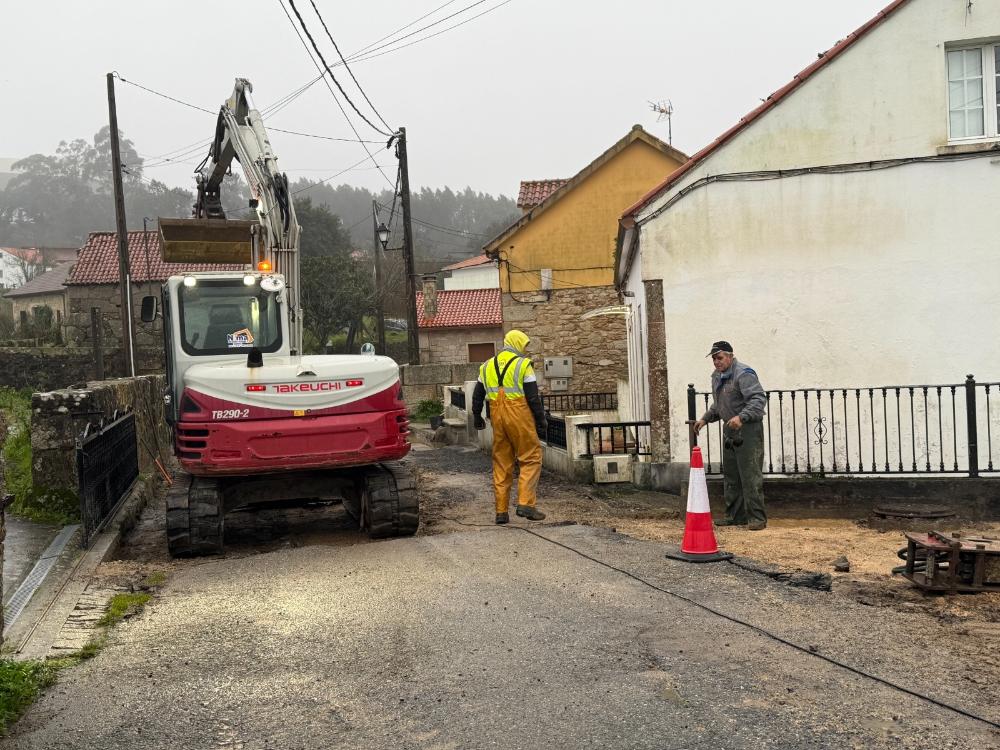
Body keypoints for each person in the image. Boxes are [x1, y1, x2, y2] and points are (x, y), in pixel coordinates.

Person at [471, 330, 547, 524]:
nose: (525, 349)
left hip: (497, 416)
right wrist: (541, 420)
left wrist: (477, 416)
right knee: (530, 458)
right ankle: (525, 504)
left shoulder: (486, 366)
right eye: (524, 345)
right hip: (519, 415)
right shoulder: (523, 365)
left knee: (502, 463)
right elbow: (532, 397)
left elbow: (477, 395)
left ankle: (501, 512)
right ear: (518, 343)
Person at [692, 341, 768, 530]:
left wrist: (742, 417)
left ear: (730, 356)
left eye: (719, 358)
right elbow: (719, 405)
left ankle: (757, 518)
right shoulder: (717, 377)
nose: (716, 362)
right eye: (714, 359)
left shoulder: (744, 373)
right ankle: (735, 516)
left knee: (750, 474)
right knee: (732, 475)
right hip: (730, 428)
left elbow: (758, 399)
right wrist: (705, 418)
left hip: (748, 429)